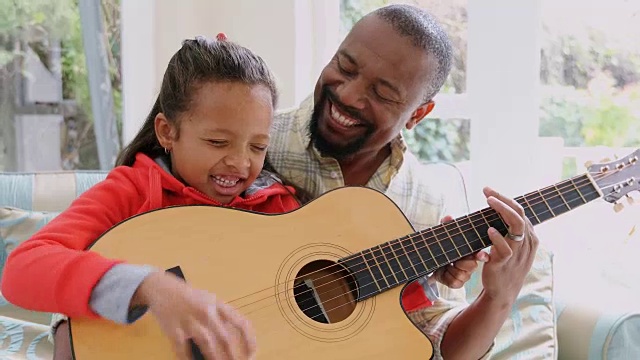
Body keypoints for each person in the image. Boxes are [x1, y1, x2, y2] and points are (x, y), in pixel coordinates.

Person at [0, 35, 301, 360]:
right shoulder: (131, 191)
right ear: (167, 132)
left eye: (258, 146)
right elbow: (21, 268)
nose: (241, 163)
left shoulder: (279, 208)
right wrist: (151, 287)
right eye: (217, 142)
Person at [266, 4, 539, 360]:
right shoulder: (251, 139)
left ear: (418, 114)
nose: (348, 95)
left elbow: (436, 348)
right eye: (344, 67)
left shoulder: (426, 205)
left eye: (382, 94)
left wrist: (498, 297)